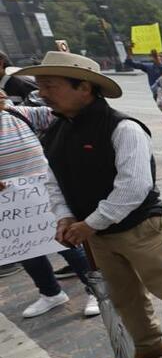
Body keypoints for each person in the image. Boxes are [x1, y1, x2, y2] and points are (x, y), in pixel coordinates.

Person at [14, 52, 162, 358]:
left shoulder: (122, 127)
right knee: (123, 294)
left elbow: (134, 187)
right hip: (94, 234)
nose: (42, 92)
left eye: (50, 85)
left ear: (84, 88)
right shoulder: (55, 132)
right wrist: (66, 218)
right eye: (41, 85)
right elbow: (53, 180)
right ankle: (147, 343)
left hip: (139, 227)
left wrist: (89, 224)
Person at [0, 93, 99, 319]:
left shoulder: (19, 112)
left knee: (67, 241)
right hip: (9, 205)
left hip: (43, 193)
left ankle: (96, 289)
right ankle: (50, 293)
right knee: (26, 249)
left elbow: (62, 116)